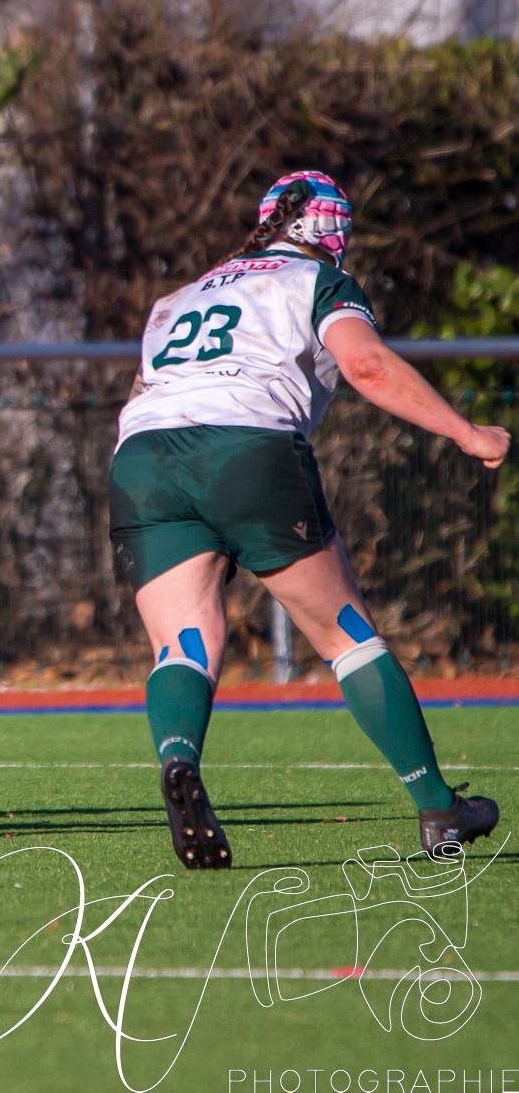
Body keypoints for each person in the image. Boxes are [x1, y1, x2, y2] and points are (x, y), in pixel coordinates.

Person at [110, 170, 509, 868]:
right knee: (345, 635)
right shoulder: (319, 280)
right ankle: (438, 808)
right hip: (245, 447)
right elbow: (367, 366)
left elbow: (145, 389)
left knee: (183, 643)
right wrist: (465, 431)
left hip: (141, 458)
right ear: (331, 231)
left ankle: (179, 759)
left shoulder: (178, 298)